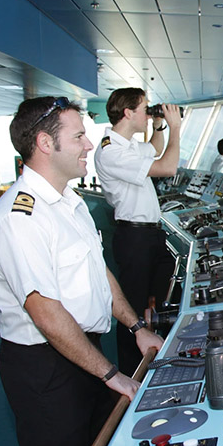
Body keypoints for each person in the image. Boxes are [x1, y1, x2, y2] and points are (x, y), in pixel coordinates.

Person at [0, 96, 164, 446]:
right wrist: (110, 374)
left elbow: (98, 272)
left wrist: (137, 326)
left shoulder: (69, 201)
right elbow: (45, 313)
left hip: (84, 351)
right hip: (44, 367)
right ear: (45, 143)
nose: (89, 144)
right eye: (78, 135)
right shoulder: (19, 219)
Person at [94, 88, 181, 375]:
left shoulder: (127, 145)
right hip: (134, 238)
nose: (147, 114)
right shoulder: (112, 151)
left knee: (161, 302)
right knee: (132, 311)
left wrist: (159, 125)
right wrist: (176, 129)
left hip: (150, 236)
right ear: (128, 112)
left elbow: (154, 149)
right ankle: (132, 373)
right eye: (145, 109)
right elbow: (167, 166)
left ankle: (157, 359)